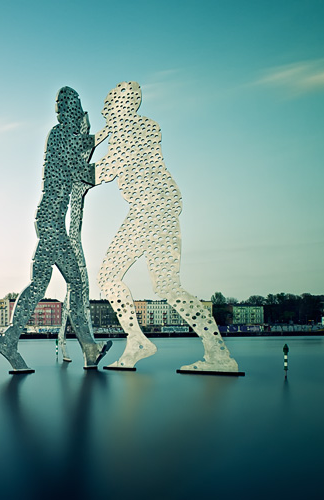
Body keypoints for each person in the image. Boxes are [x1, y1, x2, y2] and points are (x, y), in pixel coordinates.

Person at [92, 81, 239, 373]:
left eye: (108, 105)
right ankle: (219, 354)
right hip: (163, 209)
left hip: (148, 211)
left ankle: (136, 341)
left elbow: (104, 171)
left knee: (108, 277)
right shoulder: (142, 127)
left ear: (121, 106)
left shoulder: (127, 131)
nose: (104, 111)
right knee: (169, 287)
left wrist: (71, 164)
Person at [0, 87, 112, 373]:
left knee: (48, 283)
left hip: (50, 221)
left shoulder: (63, 137)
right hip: (51, 222)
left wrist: (101, 137)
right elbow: (82, 170)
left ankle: (86, 348)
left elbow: (82, 150)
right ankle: (11, 340)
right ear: (70, 110)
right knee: (69, 283)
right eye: (76, 108)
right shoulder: (60, 135)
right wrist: (112, 150)